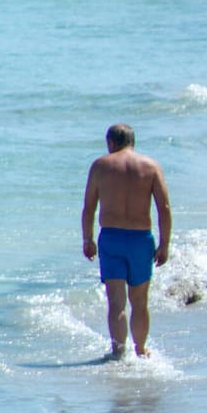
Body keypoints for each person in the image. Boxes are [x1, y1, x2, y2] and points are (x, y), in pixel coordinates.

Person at [80, 124, 172, 359]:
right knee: (140, 301)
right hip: (141, 240)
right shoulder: (151, 166)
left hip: (111, 239)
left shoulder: (101, 166)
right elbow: (164, 208)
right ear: (133, 141)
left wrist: (88, 239)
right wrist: (164, 244)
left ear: (111, 142)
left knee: (116, 302)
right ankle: (140, 350)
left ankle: (118, 352)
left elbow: (89, 207)